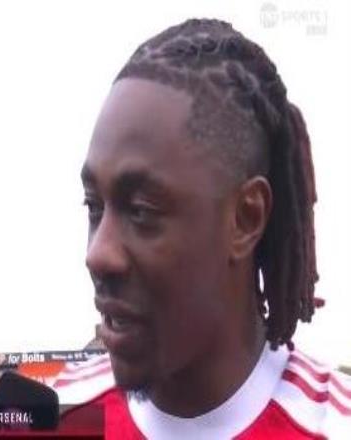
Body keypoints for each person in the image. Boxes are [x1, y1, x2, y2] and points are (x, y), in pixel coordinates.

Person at [55, 18, 351, 438]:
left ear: (246, 218)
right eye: (94, 207)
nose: (97, 255)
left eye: (141, 211)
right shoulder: (54, 421)